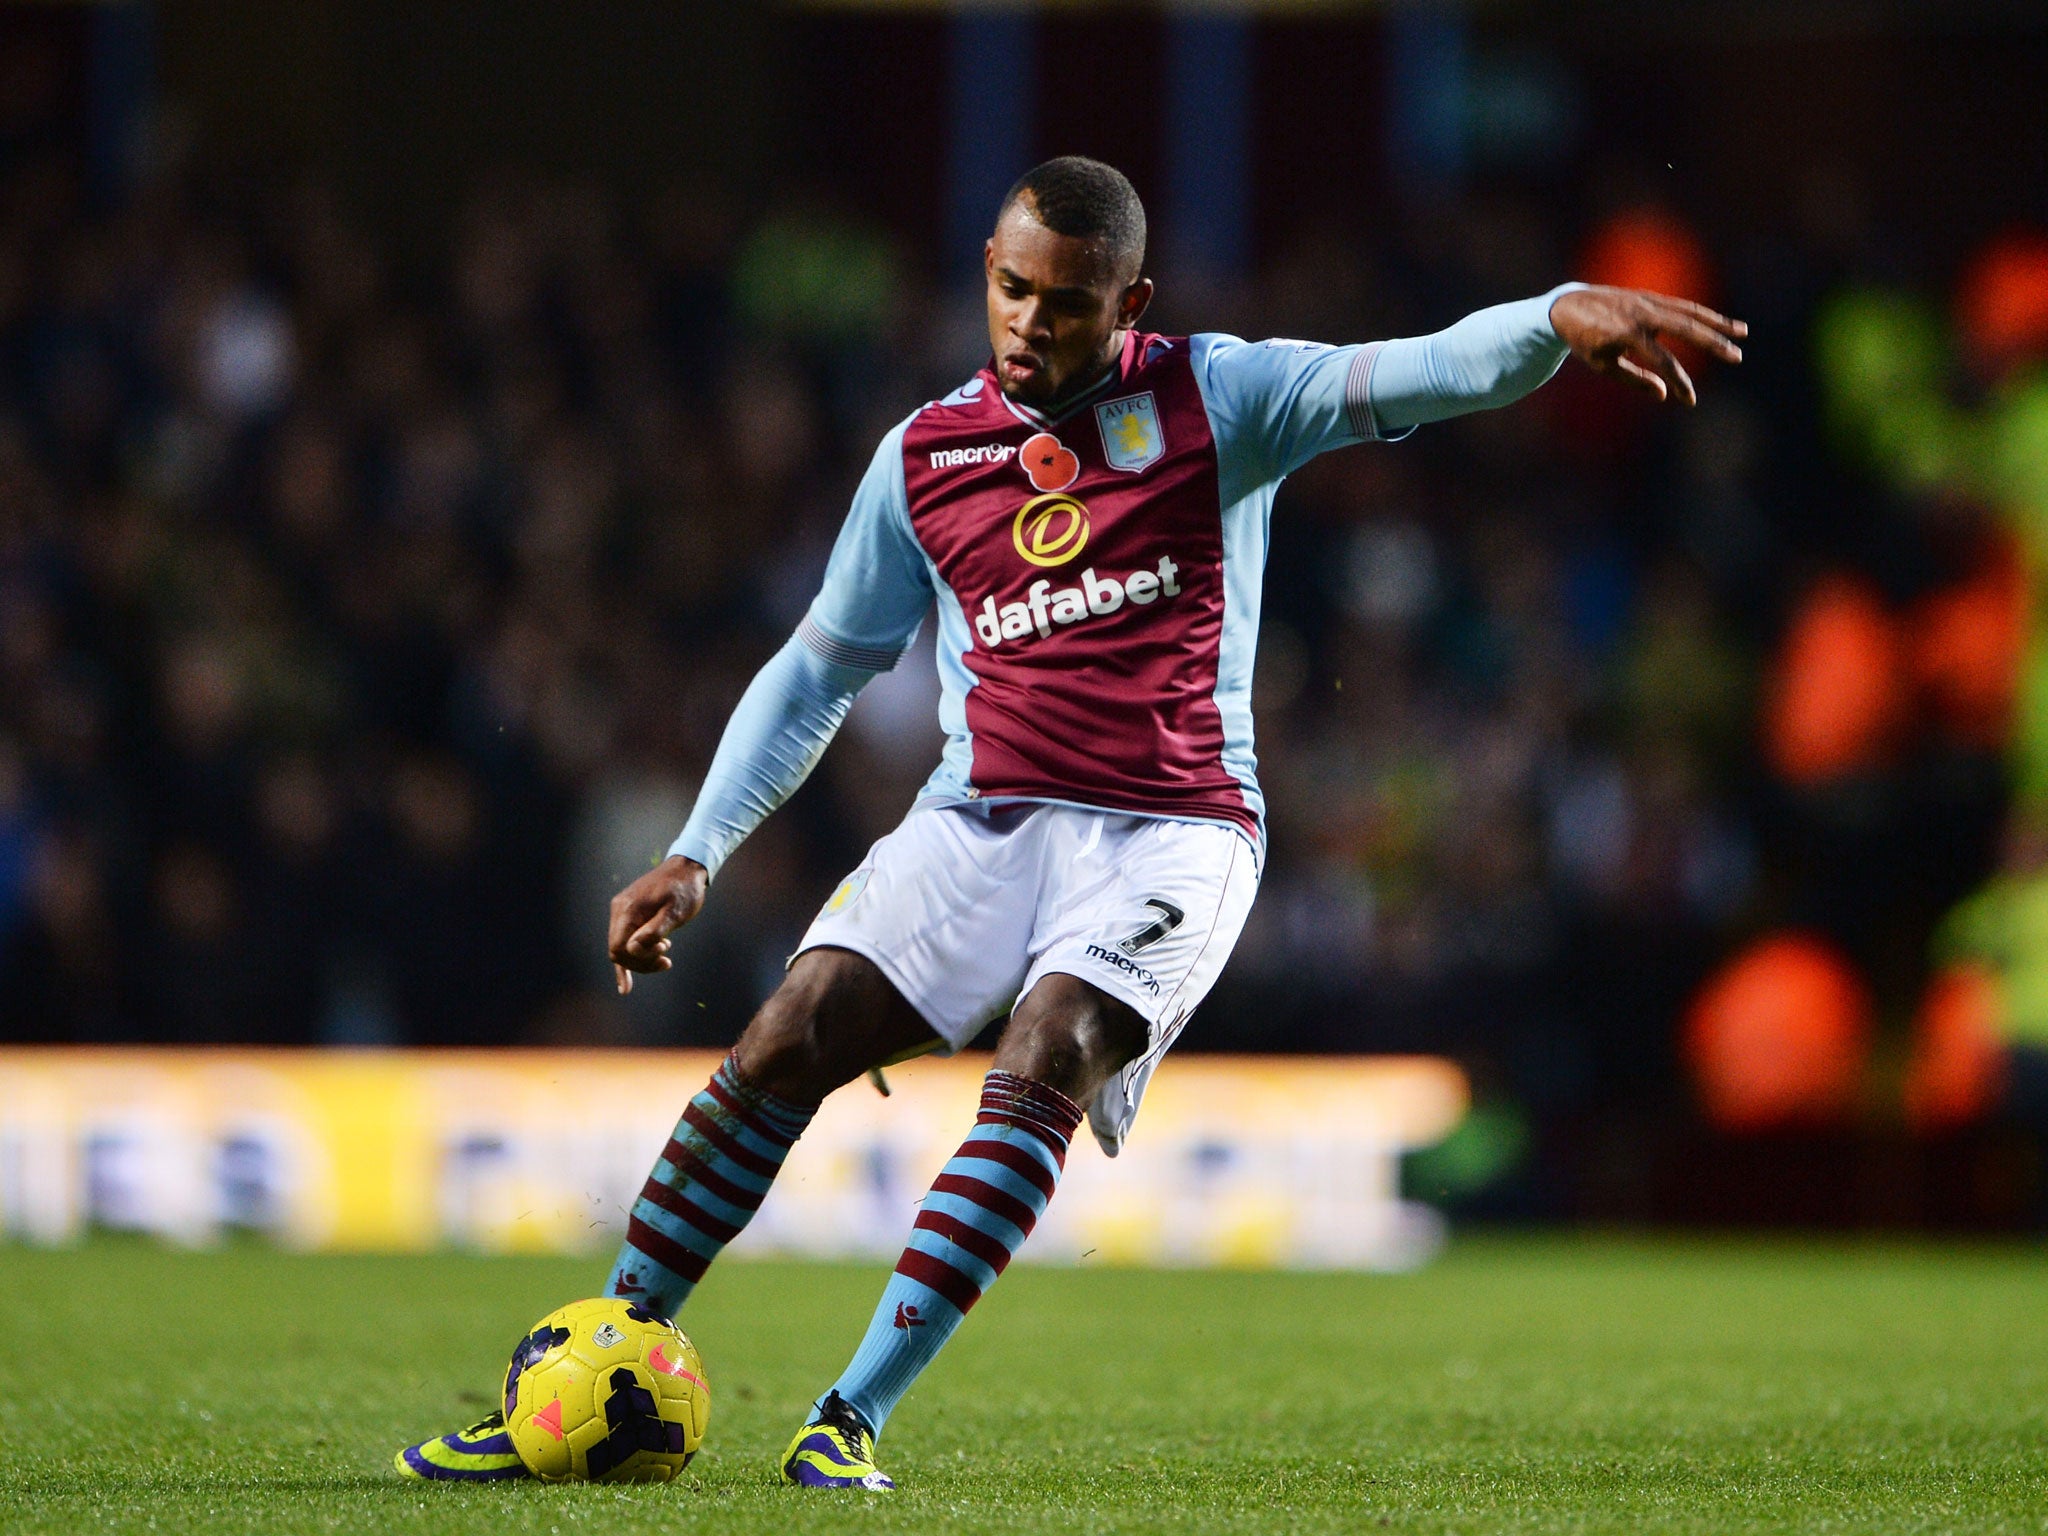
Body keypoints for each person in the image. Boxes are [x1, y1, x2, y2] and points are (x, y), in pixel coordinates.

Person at [396, 156, 1745, 1489]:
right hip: (981, 820)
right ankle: (601, 1350)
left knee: (1050, 1050)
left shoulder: (1222, 399)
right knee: (788, 1033)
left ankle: (848, 1418)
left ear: (1130, 301)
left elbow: (1420, 368)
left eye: (1068, 303)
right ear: (986, 276)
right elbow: (818, 670)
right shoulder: (924, 459)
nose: (1033, 324)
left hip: (1175, 831)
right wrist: (698, 850)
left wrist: (1557, 315)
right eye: (1013, 291)